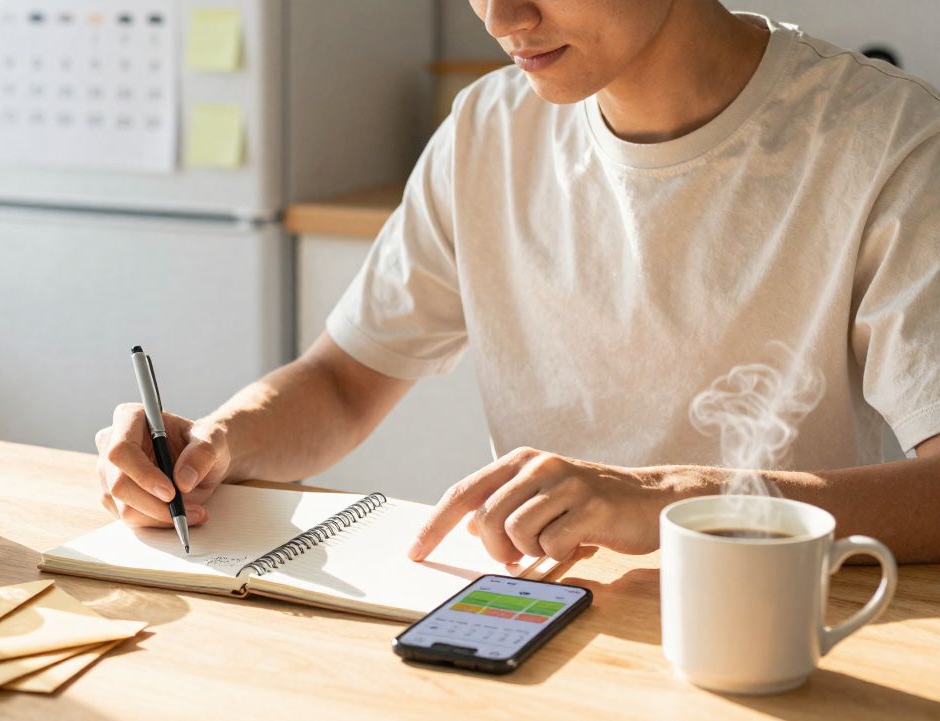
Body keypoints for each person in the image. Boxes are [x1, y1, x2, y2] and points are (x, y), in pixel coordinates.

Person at [96, 1, 940, 564]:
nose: (501, 17)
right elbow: (343, 382)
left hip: (800, 636)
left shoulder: (893, 142)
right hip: (542, 623)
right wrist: (218, 444)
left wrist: (666, 500)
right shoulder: (486, 129)